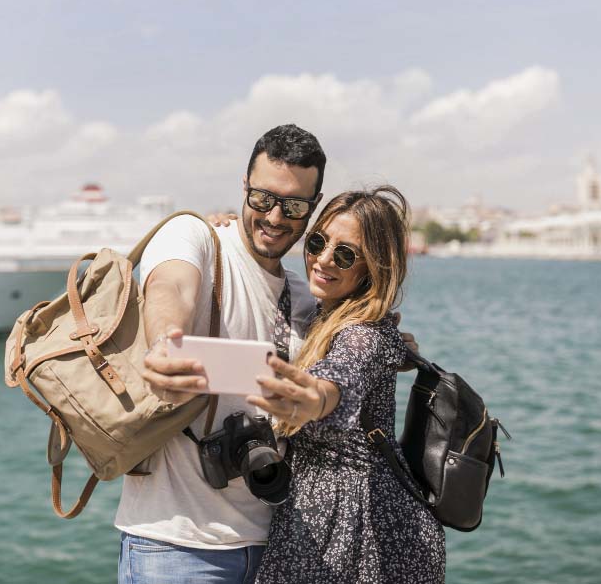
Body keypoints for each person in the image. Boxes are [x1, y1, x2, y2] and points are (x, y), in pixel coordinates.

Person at [115, 124, 326, 583]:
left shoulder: (304, 299)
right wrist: (165, 342)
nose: (274, 216)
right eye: (262, 199)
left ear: (312, 208)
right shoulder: (194, 236)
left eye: (293, 206)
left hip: (276, 546)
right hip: (175, 545)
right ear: (244, 187)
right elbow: (171, 285)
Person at [248, 186, 446, 584]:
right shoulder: (326, 315)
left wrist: (314, 399)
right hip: (337, 524)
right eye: (318, 242)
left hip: (355, 533)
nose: (322, 260)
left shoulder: (364, 335)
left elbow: (341, 375)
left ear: (374, 268)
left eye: (345, 254)